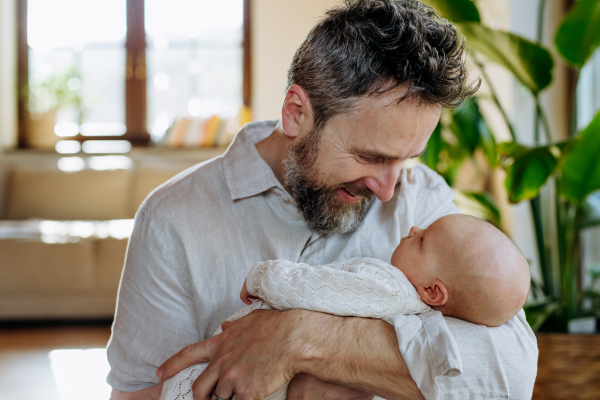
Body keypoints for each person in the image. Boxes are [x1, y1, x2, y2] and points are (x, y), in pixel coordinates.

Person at [107, 1, 539, 400]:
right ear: (296, 112)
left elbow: (510, 373)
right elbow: (139, 392)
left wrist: (300, 339)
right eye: (371, 156)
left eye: (406, 160)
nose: (390, 190)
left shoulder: (422, 201)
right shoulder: (172, 219)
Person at [158, 214, 531, 400]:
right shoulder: (425, 318)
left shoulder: (387, 285)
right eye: (369, 154)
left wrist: (263, 277)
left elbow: (316, 288)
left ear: (434, 292)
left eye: (422, 240)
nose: (412, 230)